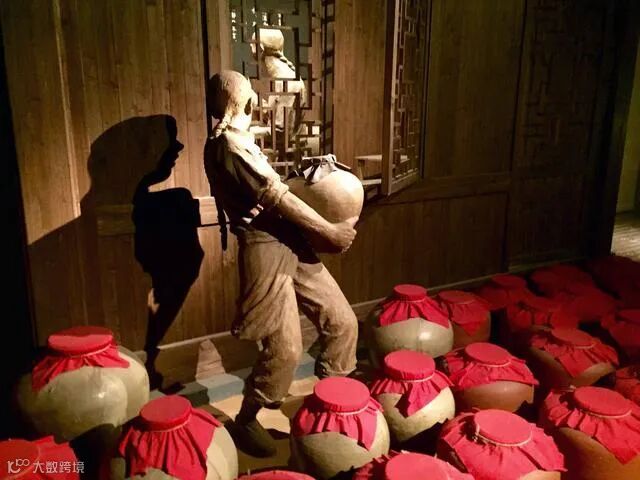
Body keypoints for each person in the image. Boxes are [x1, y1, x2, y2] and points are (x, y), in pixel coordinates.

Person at [204, 70, 358, 456]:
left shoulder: (240, 139)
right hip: (264, 246)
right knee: (285, 350)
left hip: (290, 238)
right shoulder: (228, 146)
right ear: (243, 102)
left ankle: (332, 405)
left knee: (343, 323)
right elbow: (276, 196)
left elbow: (279, 188)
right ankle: (247, 418)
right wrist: (329, 232)